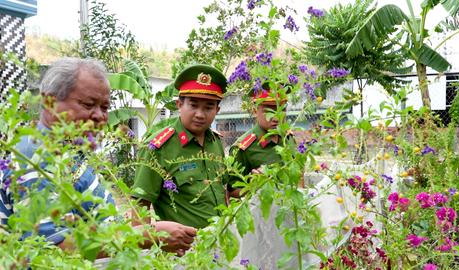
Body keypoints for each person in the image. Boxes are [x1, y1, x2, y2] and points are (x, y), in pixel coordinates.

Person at [0, 57, 195, 256]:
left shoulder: (69, 153)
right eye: (88, 104)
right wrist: (146, 237)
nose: (100, 116)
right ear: (50, 101)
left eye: (104, 107)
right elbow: (54, 249)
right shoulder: (38, 160)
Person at [132, 64, 227, 229]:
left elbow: (223, 189)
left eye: (208, 107)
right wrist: (146, 243)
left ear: (217, 110)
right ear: (179, 105)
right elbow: (140, 204)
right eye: (193, 105)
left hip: (222, 242)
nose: (200, 114)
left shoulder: (216, 142)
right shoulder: (159, 148)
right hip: (185, 250)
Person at [228, 83, 297, 269]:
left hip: (291, 217)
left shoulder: (289, 139)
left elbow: (299, 177)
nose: (276, 116)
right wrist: (252, 183)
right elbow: (230, 191)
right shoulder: (244, 147)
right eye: (268, 110)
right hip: (260, 223)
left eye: (281, 109)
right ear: (255, 110)